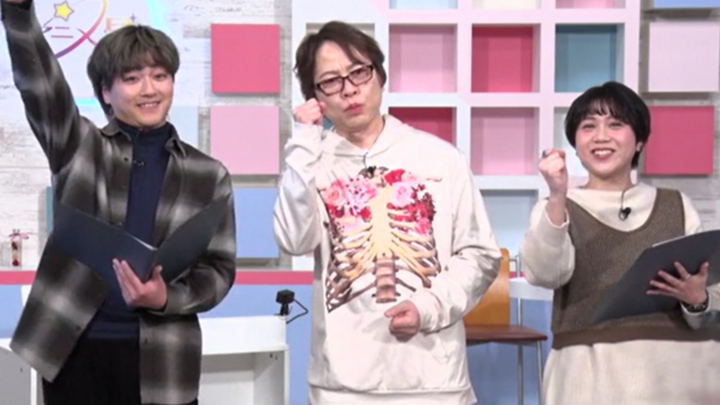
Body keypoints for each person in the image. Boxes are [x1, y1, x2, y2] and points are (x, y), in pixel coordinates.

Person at [1, 0, 237, 404]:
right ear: (105, 93)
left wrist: (165, 298)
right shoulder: (81, 147)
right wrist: (18, 13)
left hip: (165, 360)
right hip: (75, 354)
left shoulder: (209, 174)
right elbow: (42, 88)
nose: (149, 89)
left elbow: (219, 270)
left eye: (160, 76)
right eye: (131, 78)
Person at [273, 20, 502, 405]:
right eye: (330, 81)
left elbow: (480, 255)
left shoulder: (440, 158)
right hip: (341, 389)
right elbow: (293, 240)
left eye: (359, 72)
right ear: (315, 97)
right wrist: (303, 145)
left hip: (435, 385)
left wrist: (428, 307)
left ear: (379, 75)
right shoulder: (311, 163)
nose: (349, 89)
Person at [519, 81, 720, 405]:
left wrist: (697, 299)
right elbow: (546, 274)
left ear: (639, 140)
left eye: (615, 124)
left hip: (678, 374)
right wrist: (557, 195)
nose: (601, 136)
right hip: (588, 375)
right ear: (574, 144)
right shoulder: (556, 206)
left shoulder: (677, 205)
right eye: (588, 126)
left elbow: (711, 298)